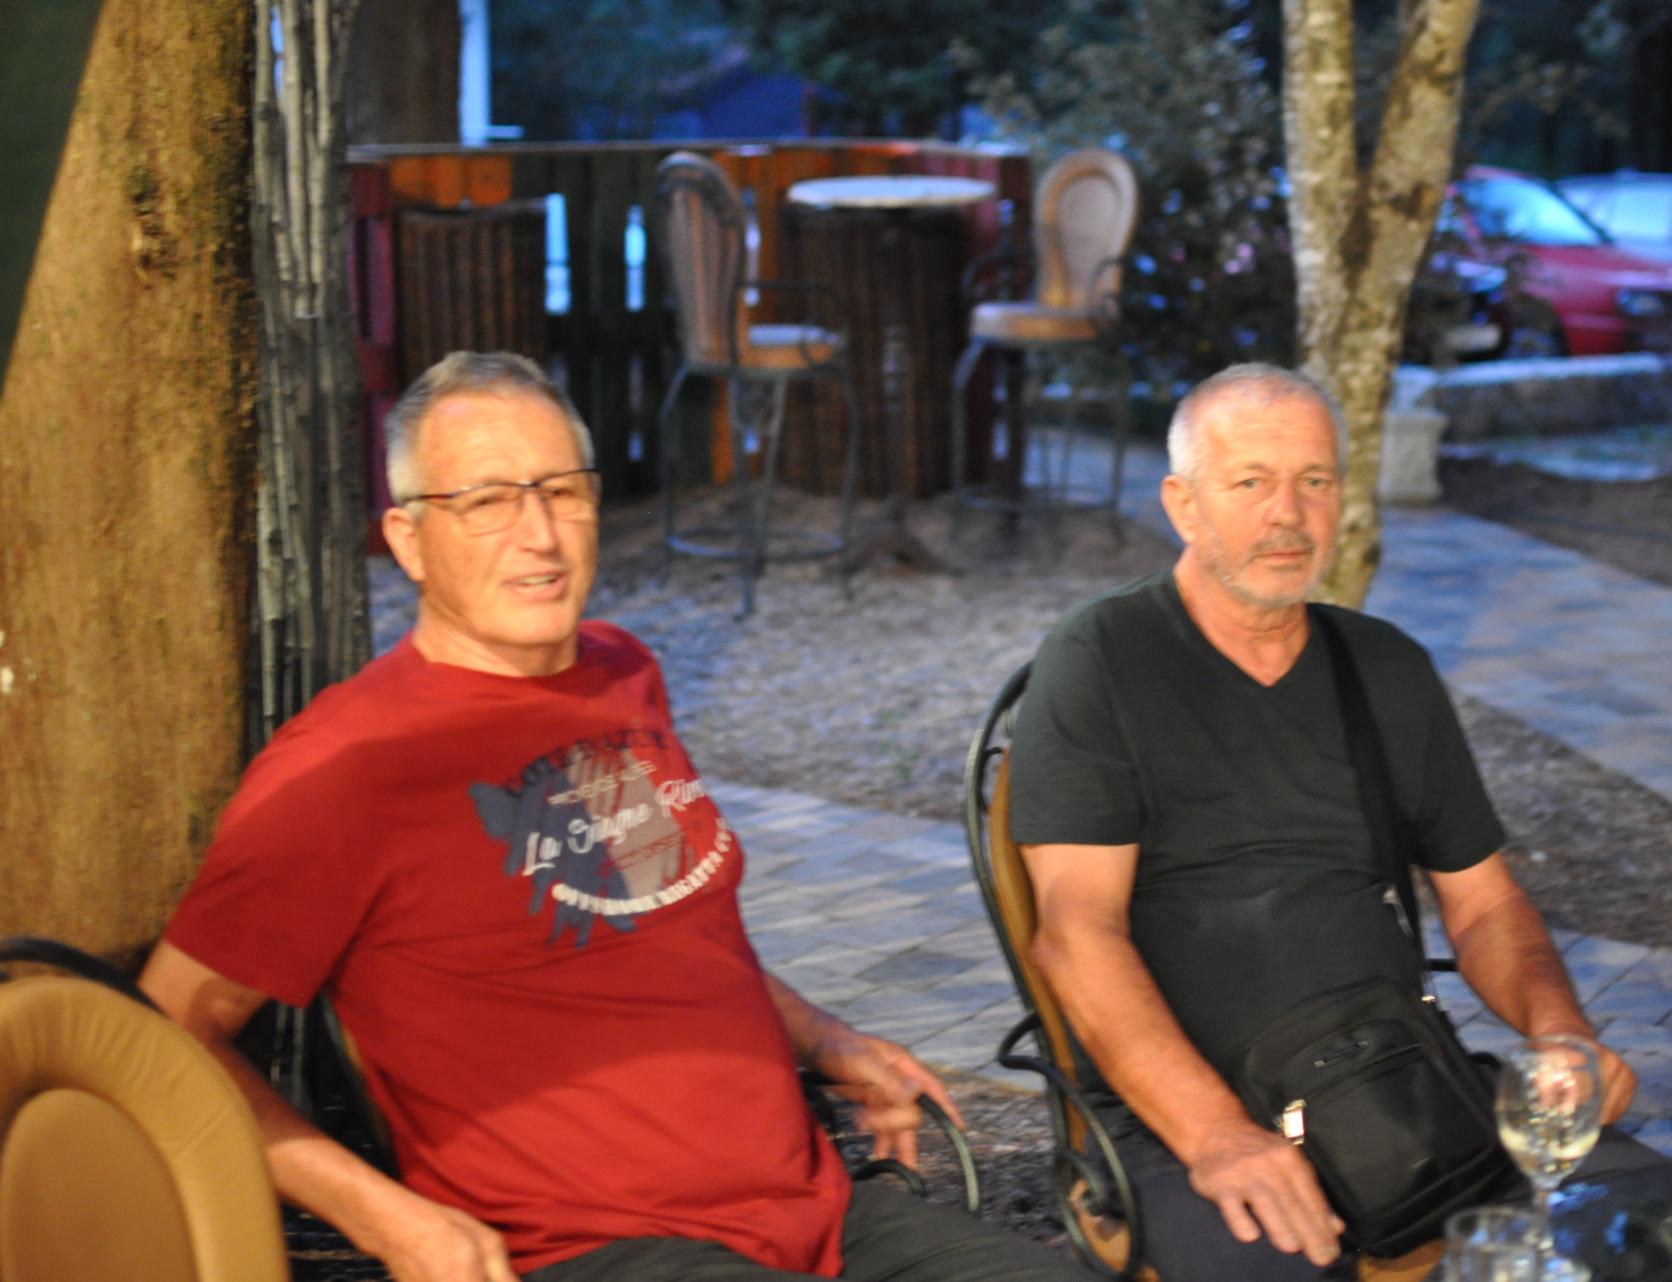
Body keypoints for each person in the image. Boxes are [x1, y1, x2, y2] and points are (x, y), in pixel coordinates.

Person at [140, 351, 1087, 1282]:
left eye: (562, 491)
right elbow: (164, 1036)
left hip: (817, 1214)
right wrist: (387, 1218)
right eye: (487, 501)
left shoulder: (618, 672)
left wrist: (824, 1036)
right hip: (590, 1250)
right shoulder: (346, 765)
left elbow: (663, 929)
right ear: (408, 539)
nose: (540, 535)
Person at [1008, 363, 1645, 1281]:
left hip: (1399, 1082)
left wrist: (1562, 1033)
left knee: (1645, 1224)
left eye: (1315, 480)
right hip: (1190, 1112)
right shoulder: (1103, 657)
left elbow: (1485, 905)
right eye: (1251, 482)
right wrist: (1217, 1135)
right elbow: (1076, 935)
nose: (1289, 514)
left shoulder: (1385, 668)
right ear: (1183, 504)